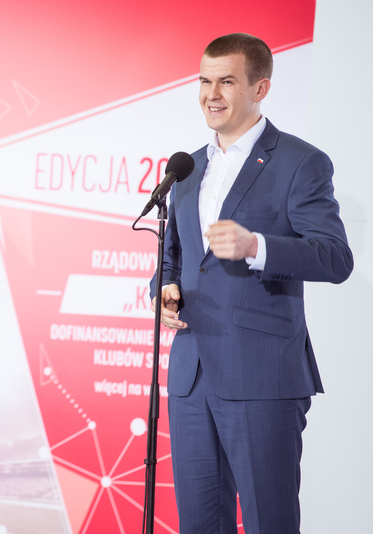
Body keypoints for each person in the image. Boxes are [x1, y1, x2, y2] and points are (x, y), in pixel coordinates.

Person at [150, 33, 353, 534]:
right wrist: (164, 290)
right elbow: (175, 257)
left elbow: (335, 258)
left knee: (269, 522)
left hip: (262, 376)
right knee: (199, 524)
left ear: (260, 88)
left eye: (226, 81)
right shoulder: (186, 168)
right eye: (204, 81)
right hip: (192, 374)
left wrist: (256, 246)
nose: (211, 94)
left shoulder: (300, 162)